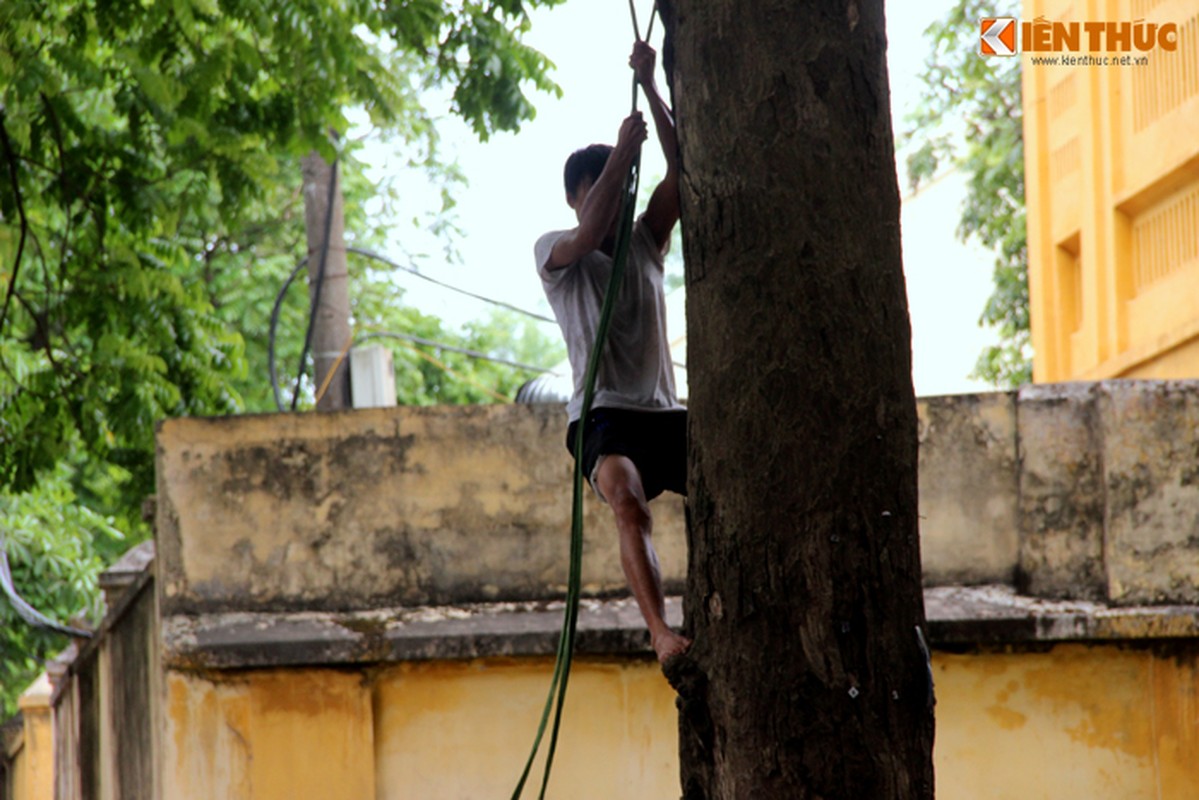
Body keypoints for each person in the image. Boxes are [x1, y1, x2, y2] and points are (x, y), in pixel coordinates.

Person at [534, 40, 690, 664]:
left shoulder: (647, 242)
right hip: (602, 415)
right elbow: (591, 231)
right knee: (627, 501)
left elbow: (681, 175)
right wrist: (621, 156)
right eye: (606, 188)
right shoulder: (557, 251)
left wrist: (652, 88)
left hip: (662, 411)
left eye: (624, 187)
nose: (621, 197)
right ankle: (661, 634)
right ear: (578, 194)